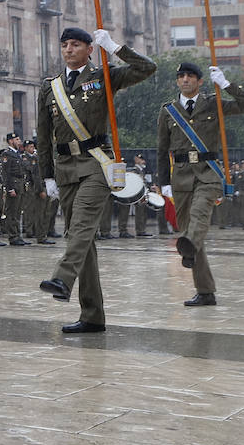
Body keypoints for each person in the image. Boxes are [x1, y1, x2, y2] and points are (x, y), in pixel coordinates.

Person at [36, 26, 155, 334]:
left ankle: (62, 278)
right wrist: (46, 175)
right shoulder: (51, 86)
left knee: (80, 228)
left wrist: (115, 47)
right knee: (83, 241)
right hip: (64, 168)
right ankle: (92, 316)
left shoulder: (104, 77)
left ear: (89, 49)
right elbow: (43, 136)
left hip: (95, 165)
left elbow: (147, 69)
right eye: (64, 45)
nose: (68, 49)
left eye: (76, 44)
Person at [157, 62, 244, 306]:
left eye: (190, 76)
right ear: (177, 81)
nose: (185, 80)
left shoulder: (213, 103)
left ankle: (190, 247)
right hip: (180, 176)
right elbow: (162, 149)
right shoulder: (168, 110)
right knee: (192, 236)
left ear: (200, 81)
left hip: (208, 173)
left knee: (199, 216)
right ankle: (205, 292)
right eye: (180, 76)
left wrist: (226, 85)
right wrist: (164, 182)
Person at [0, 133, 29, 245]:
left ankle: (18, 235)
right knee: (12, 212)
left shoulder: (17, 154)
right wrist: (10, 188)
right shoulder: (7, 154)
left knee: (17, 212)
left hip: (20, 185)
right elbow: (6, 173)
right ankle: (13, 236)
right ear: (11, 141)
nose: (19, 141)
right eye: (17, 139)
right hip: (14, 185)